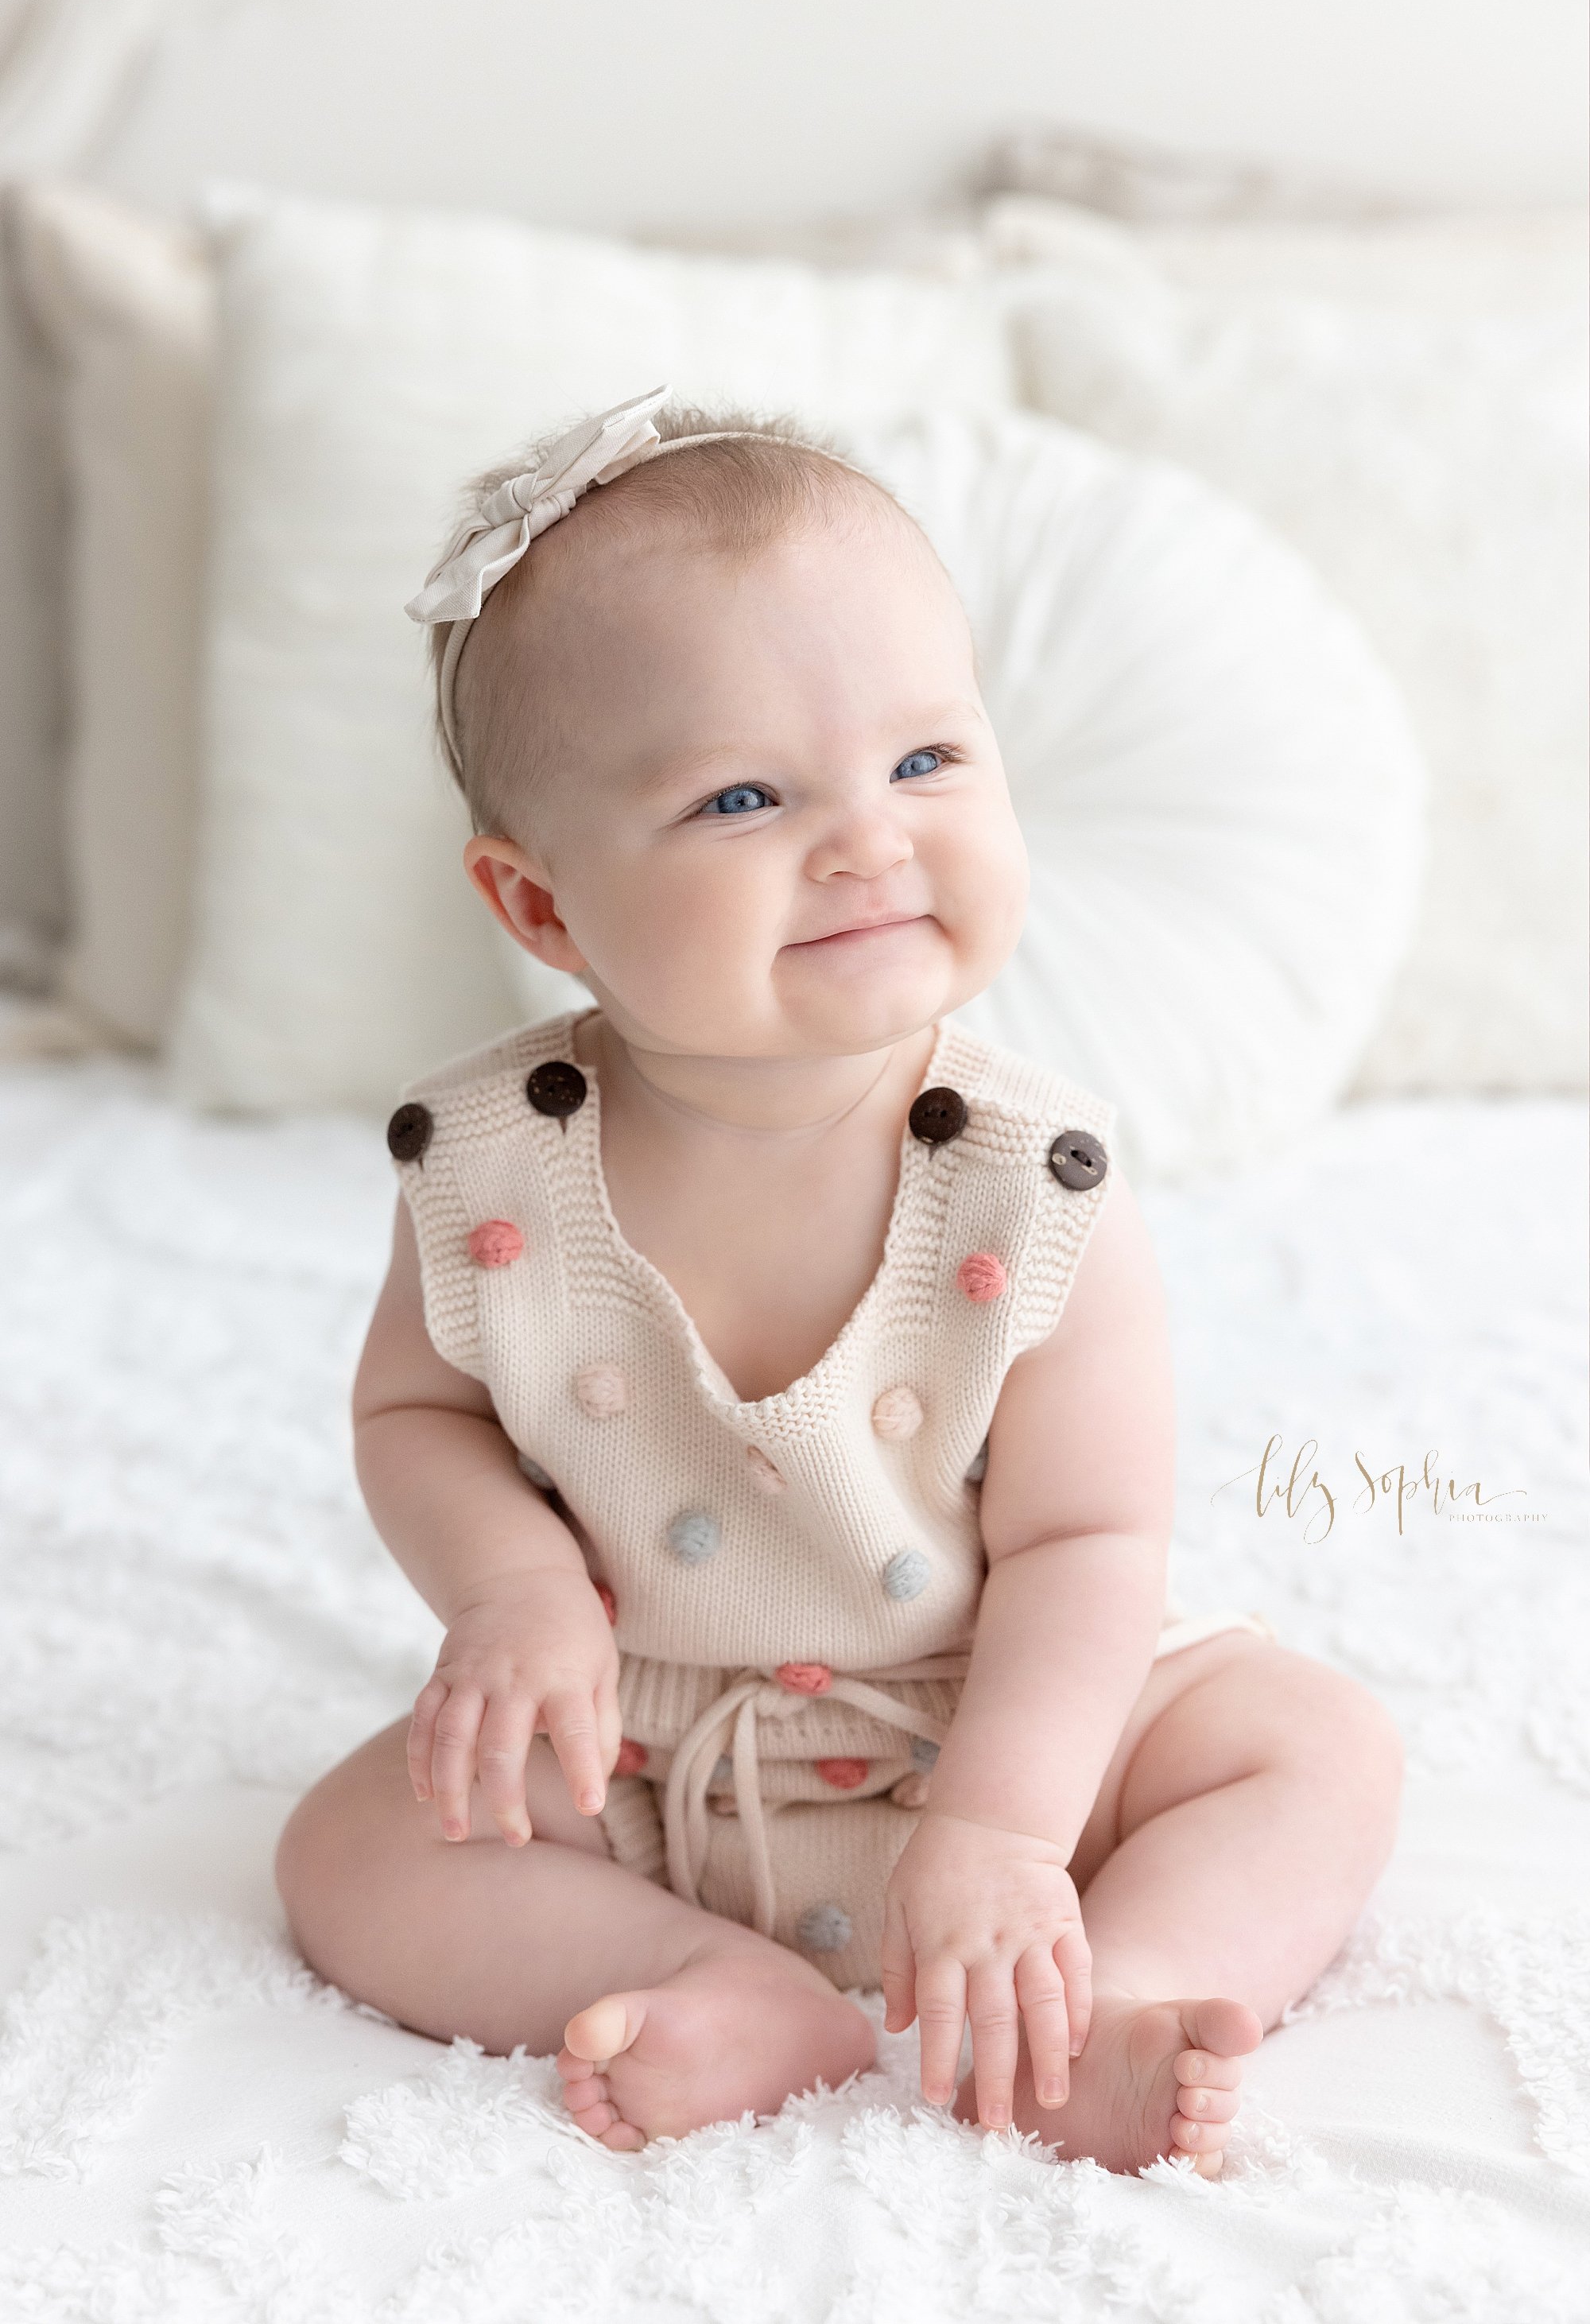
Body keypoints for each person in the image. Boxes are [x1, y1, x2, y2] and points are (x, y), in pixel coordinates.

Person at [274, 386, 1402, 2175]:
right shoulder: (494, 1166)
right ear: (543, 907)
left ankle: (1098, 2001)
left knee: (1311, 1746)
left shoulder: (1034, 1185)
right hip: (649, 1734)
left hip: (989, 1703)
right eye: (742, 795)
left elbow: (1085, 1546)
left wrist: (1013, 1831)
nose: (869, 838)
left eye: (927, 761)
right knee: (347, 1847)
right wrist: (514, 1592)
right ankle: (709, 1980)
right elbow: (414, 1409)